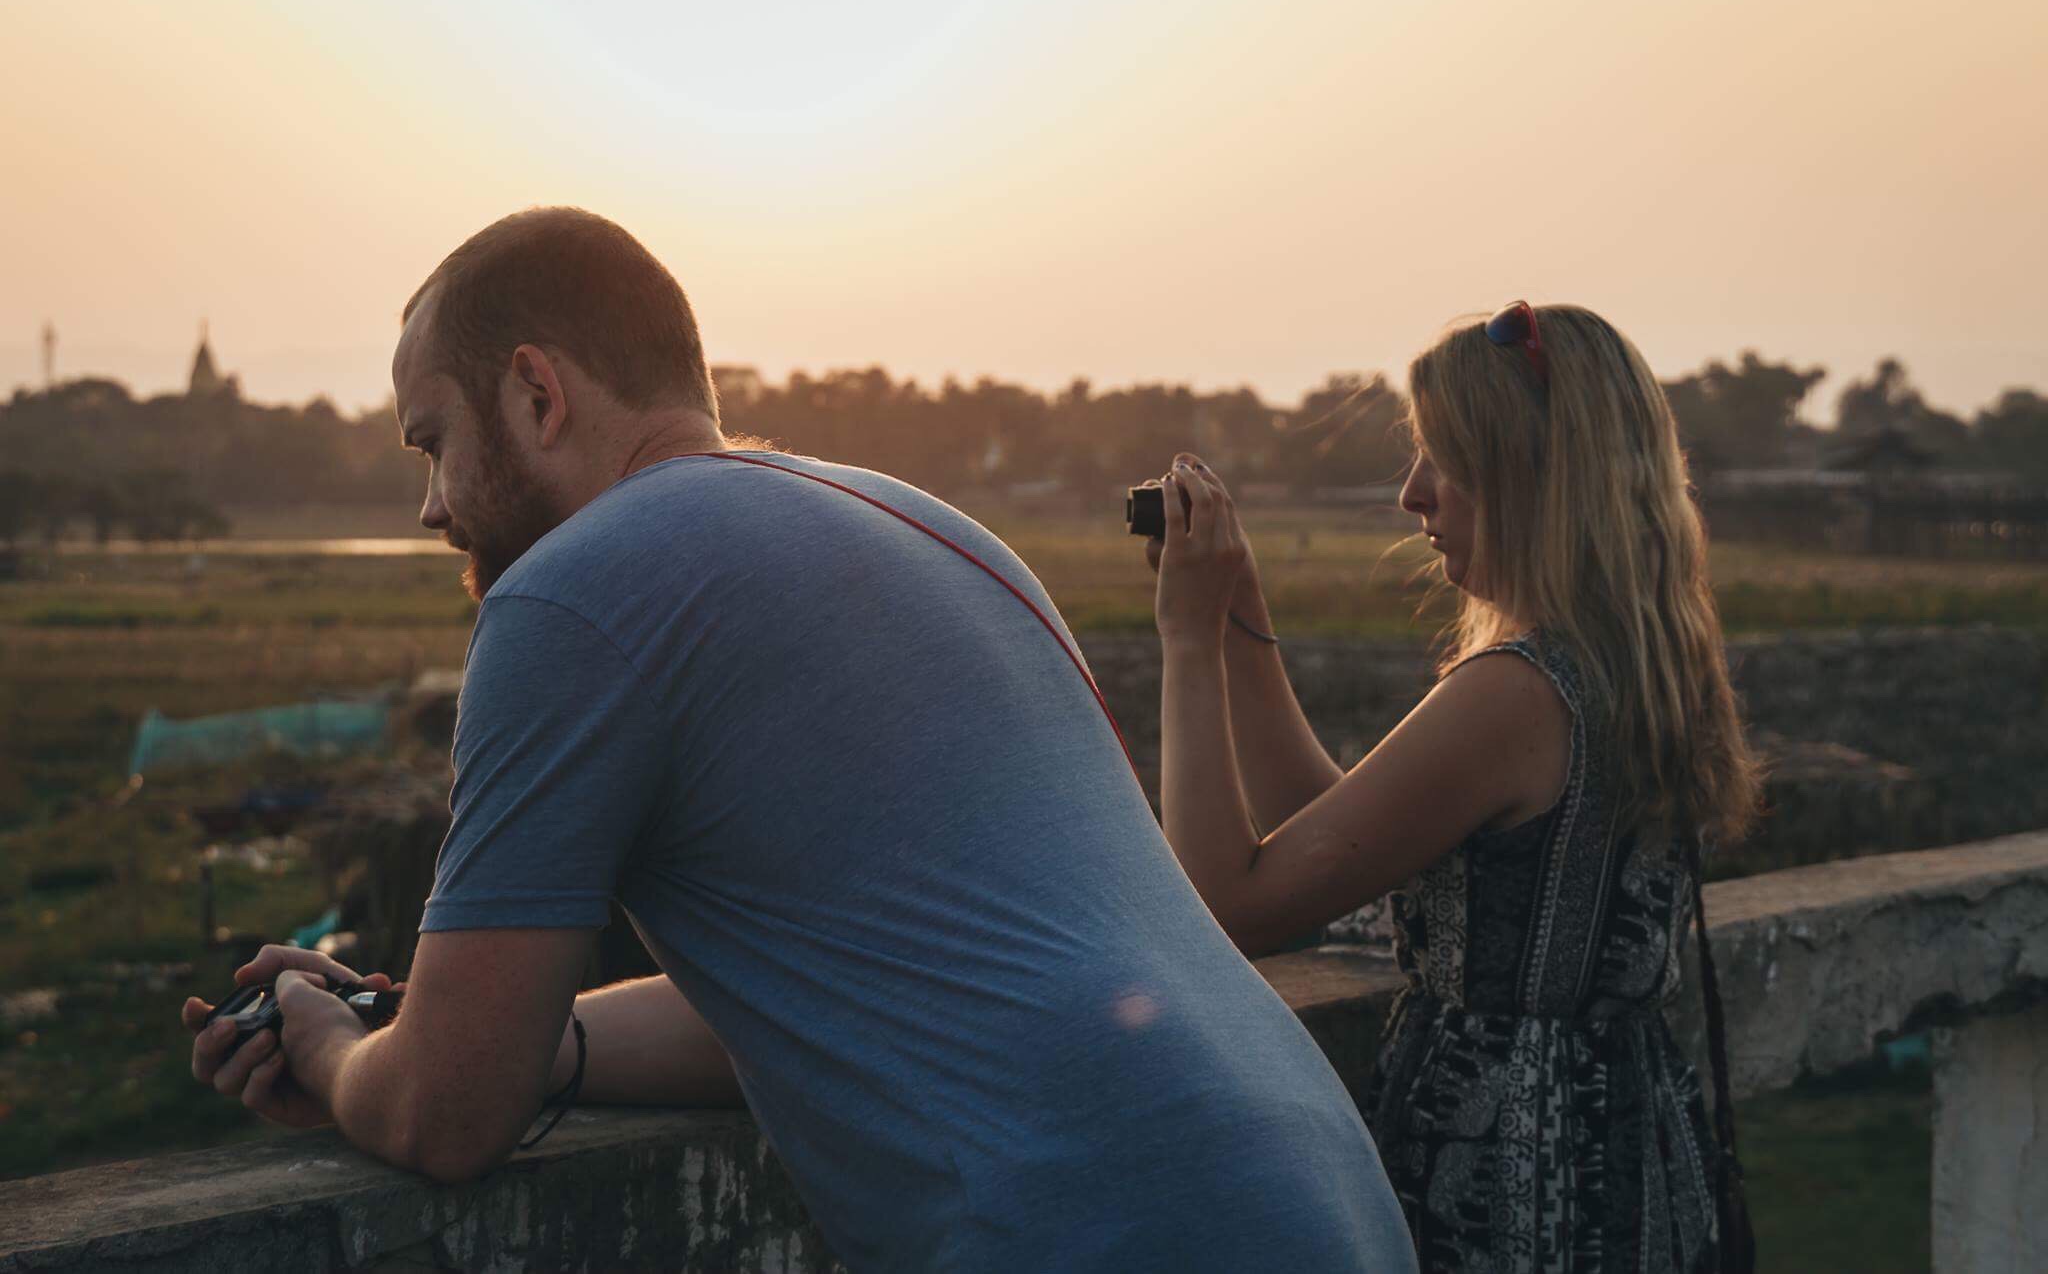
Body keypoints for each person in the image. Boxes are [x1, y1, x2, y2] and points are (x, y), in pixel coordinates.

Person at [182, 207, 1417, 1273]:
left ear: (535, 392)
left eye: (432, 442)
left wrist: (337, 1051)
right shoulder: (945, 536)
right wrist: (506, 1032)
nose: (432, 505)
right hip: (1323, 1202)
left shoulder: (570, 597)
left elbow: (444, 1117)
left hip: (1084, 1231)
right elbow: (817, 995)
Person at [1146, 302, 1759, 1273]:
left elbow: (1229, 902)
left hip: (1507, 1196)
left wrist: (1181, 641)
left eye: (1442, 459)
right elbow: (1345, 840)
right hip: (1627, 1165)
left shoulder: (1513, 694)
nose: (1411, 495)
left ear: (1524, 479)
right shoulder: (1628, 667)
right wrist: (1238, 624)